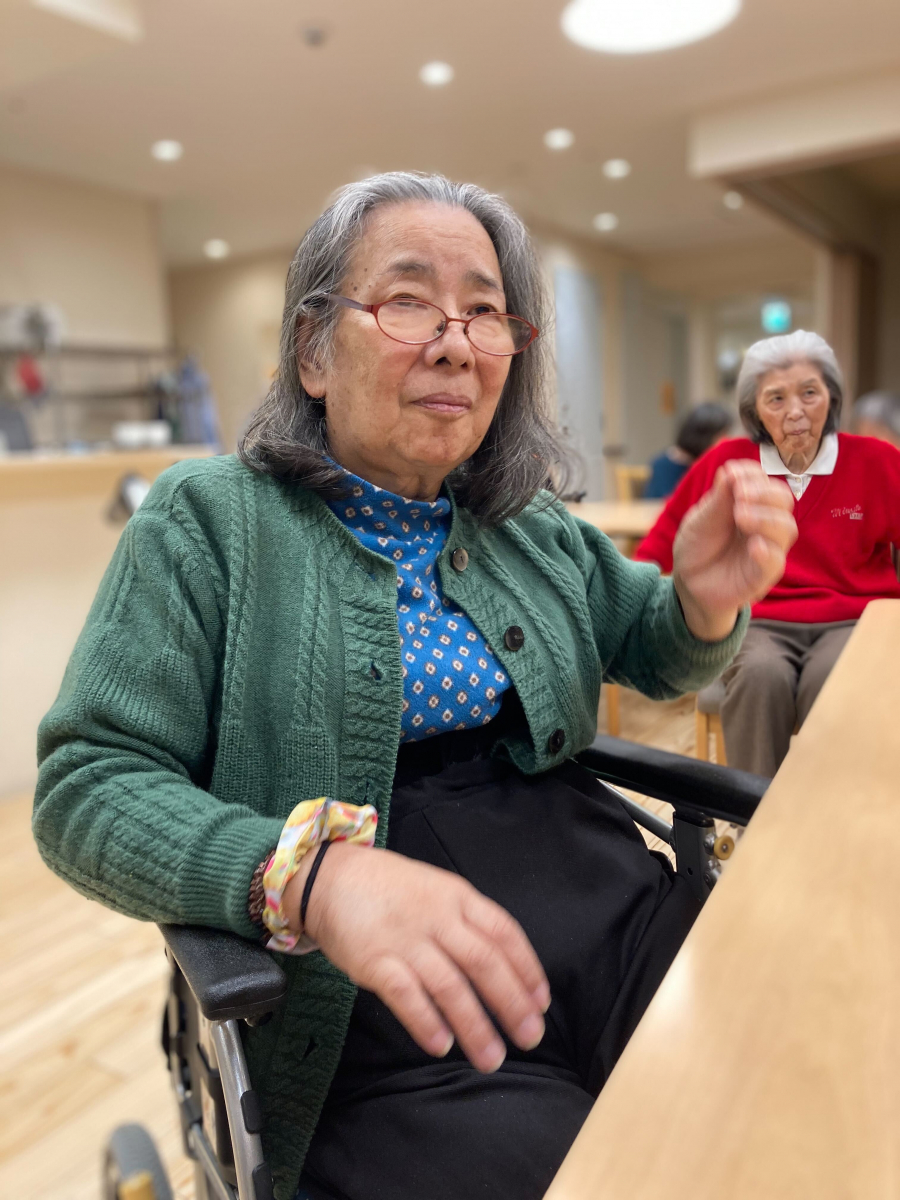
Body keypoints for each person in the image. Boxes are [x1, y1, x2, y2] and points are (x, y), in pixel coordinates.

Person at [33, 173, 795, 1200]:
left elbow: (652, 649)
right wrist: (312, 876)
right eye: (408, 302)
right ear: (313, 351)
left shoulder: (526, 521)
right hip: (376, 990)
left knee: (785, 1074)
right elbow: (86, 785)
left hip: (600, 899)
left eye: (484, 312)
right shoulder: (208, 522)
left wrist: (701, 602)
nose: (456, 343)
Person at [636, 329, 900, 778]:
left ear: (832, 397)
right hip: (757, 621)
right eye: (776, 398)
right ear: (754, 410)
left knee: (833, 677)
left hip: (852, 621)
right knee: (760, 675)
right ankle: (753, 813)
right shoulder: (729, 462)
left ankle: (823, 808)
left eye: (809, 393)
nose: (795, 411)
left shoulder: (875, 459)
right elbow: (661, 544)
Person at [643, 401, 733, 498]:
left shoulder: (711, 464)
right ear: (705, 436)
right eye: (722, 435)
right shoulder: (663, 466)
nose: (726, 440)